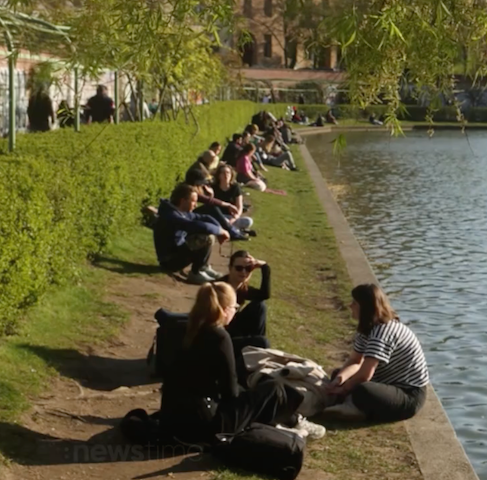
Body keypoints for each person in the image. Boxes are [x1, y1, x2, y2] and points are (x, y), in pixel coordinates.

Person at [159, 283, 321, 444]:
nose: (235, 311)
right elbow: (230, 392)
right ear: (224, 310)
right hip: (205, 426)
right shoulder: (219, 337)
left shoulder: (184, 328)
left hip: (173, 419)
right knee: (273, 387)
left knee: (254, 389)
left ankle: (285, 420)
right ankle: (292, 421)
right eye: (234, 307)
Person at [321, 284, 430, 423]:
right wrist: (339, 380)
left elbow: (365, 374)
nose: (350, 306)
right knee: (338, 373)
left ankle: (353, 408)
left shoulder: (382, 332)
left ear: (365, 307)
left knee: (363, 389)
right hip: (384, 382)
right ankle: (349, 403)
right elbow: (355, 361)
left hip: (408, 394)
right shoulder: (366, 328)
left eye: (354, 303)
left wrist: (344, 389)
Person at [153, 184, 229, 284]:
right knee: (206, 238)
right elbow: (200, 226)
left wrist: (219, 229)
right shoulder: (171, 215)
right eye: (193, 201)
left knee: (209, 234)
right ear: (183, 201)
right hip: (169, 261)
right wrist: (221, 232)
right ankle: (195, 273)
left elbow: (205, 217)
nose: (196, 205)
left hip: (178, 252)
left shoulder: (181, 212)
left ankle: (203, 268)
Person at [213, 164, 253, 233]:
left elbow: (239, 207)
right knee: (223, 221)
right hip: (218, 216)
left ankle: (229, 228)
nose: (226, 175)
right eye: (223, 173)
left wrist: (235, 217)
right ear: (219, 175)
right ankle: (234, 229)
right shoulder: (214, 188)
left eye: (228, 173)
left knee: (249, 221)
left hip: (231, 217)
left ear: (231, 175)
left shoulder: (235, 188)